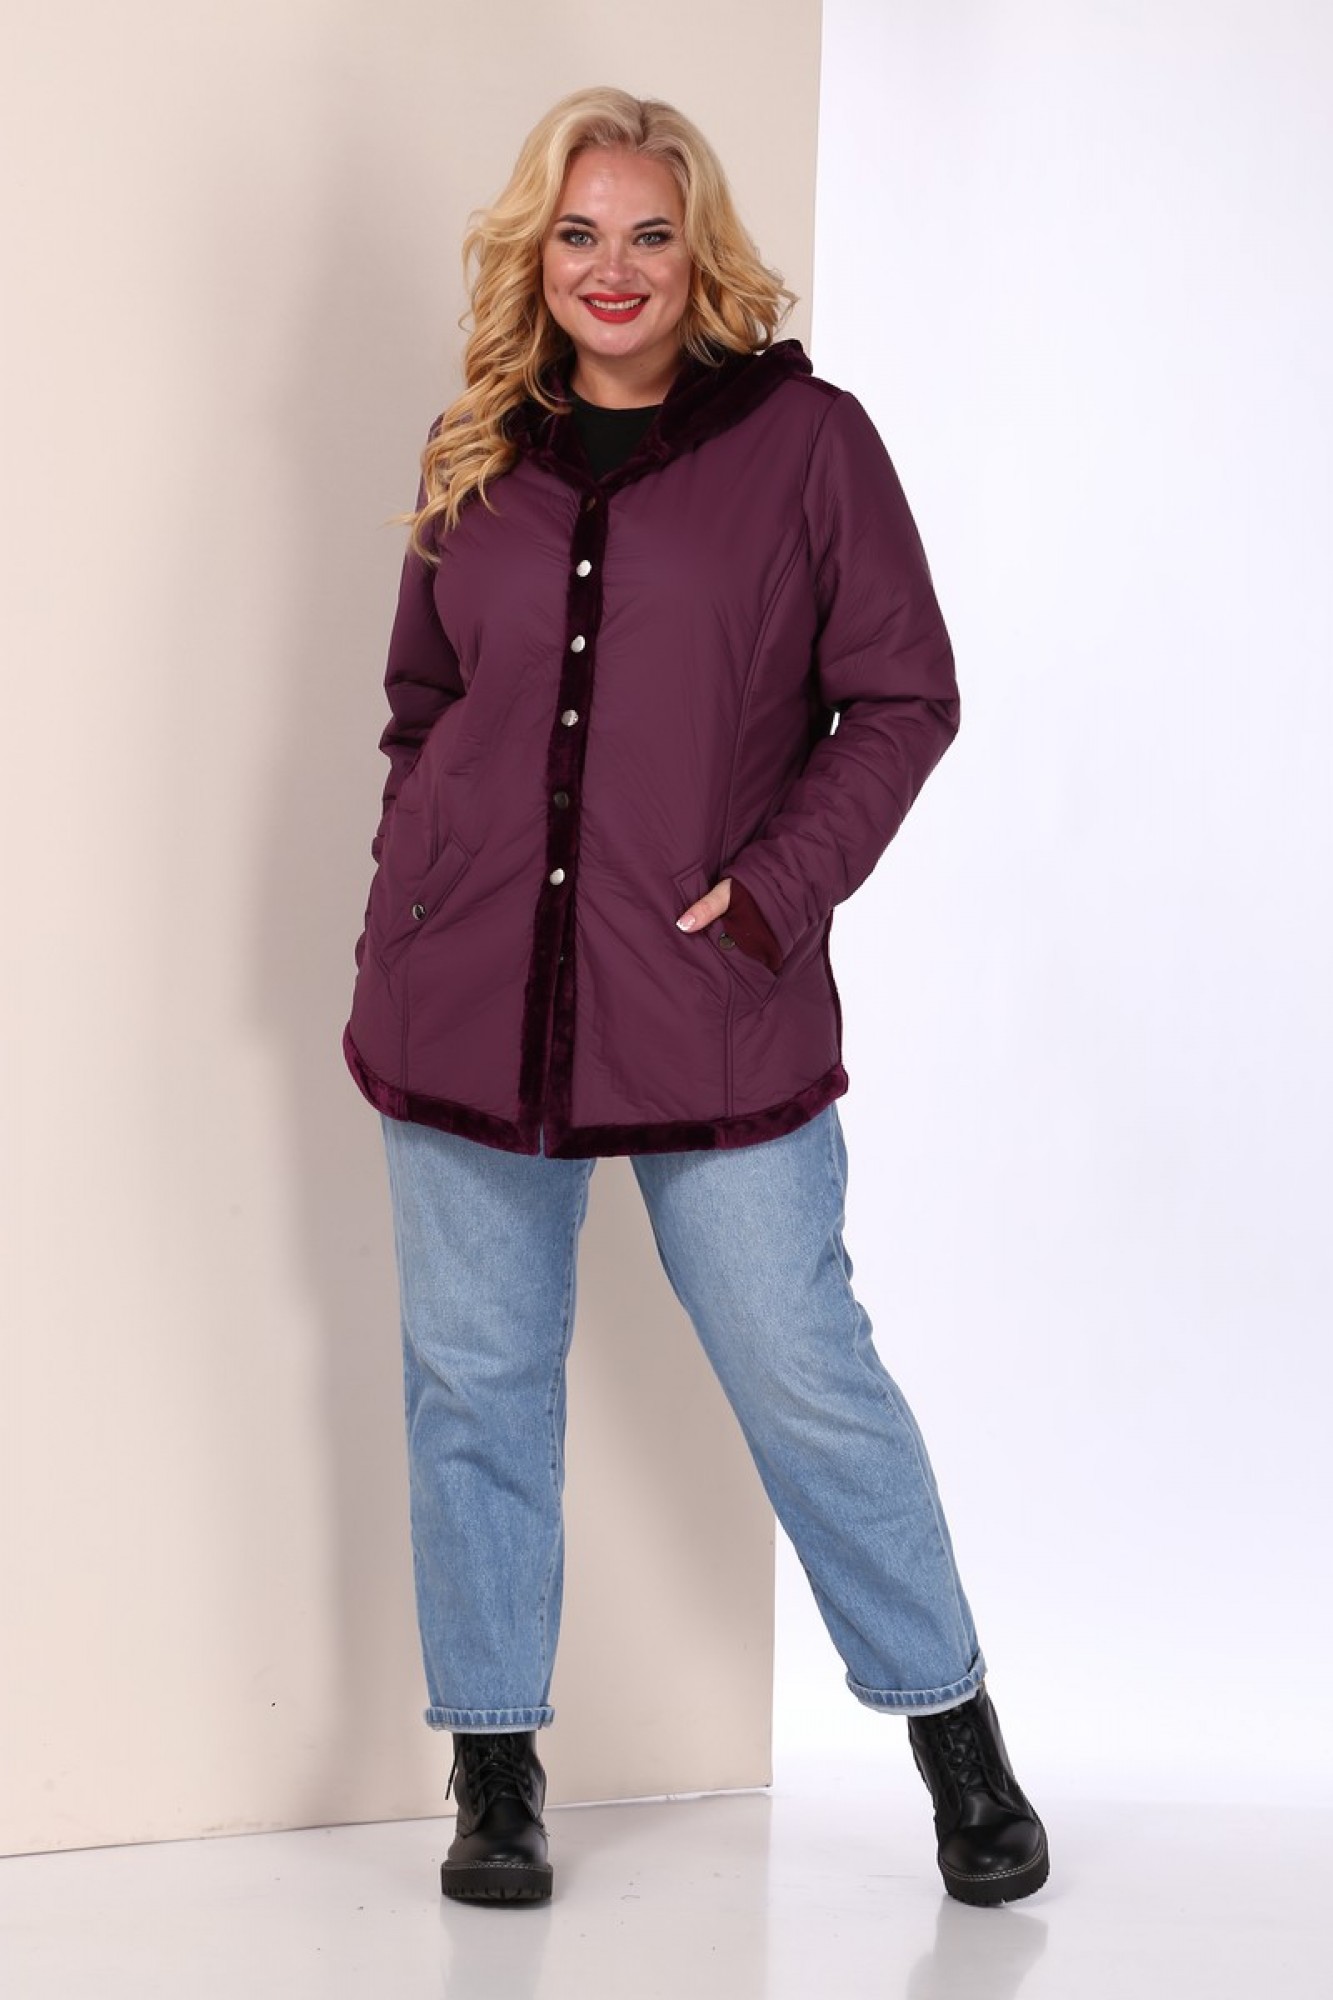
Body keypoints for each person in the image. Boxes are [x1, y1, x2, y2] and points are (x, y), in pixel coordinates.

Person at [343, 84, 1048, 1910]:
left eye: (649, 233)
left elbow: (904, 697)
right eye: (578, 233)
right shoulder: (473, 450)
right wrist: (412, 890)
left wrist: (778, 896)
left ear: (696, 252)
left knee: (802, 1368)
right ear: (536, 255)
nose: (614, 267)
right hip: (464, 993)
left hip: (710, 994)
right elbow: (424, 709)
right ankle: (493, 1774)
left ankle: (955, 1739)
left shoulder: (805, 444)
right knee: (474, 1389)